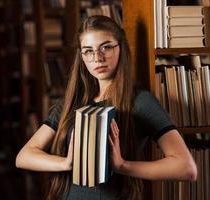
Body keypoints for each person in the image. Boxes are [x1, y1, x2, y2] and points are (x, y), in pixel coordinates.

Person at [15, 15, 197, 200]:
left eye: (106, 47)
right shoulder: (71, 103)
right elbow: (24, 157)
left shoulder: (140, 101)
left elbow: (186, 168)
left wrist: (122, 165)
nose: (97, 58)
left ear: (120, 48)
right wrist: (67, 163)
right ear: (81, 56)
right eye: (88, 50)